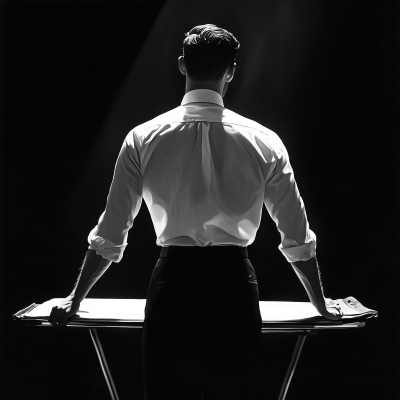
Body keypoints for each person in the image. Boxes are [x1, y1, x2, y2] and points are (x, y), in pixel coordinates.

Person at [49, 24, 340, 399]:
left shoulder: (142, 137)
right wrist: (320, 303)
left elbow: (111, 234)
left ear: (183, 65)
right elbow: (297, 238)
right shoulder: (265, 140)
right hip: (235, 286)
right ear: (232, 71)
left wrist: (75, 300)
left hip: (172, 286)